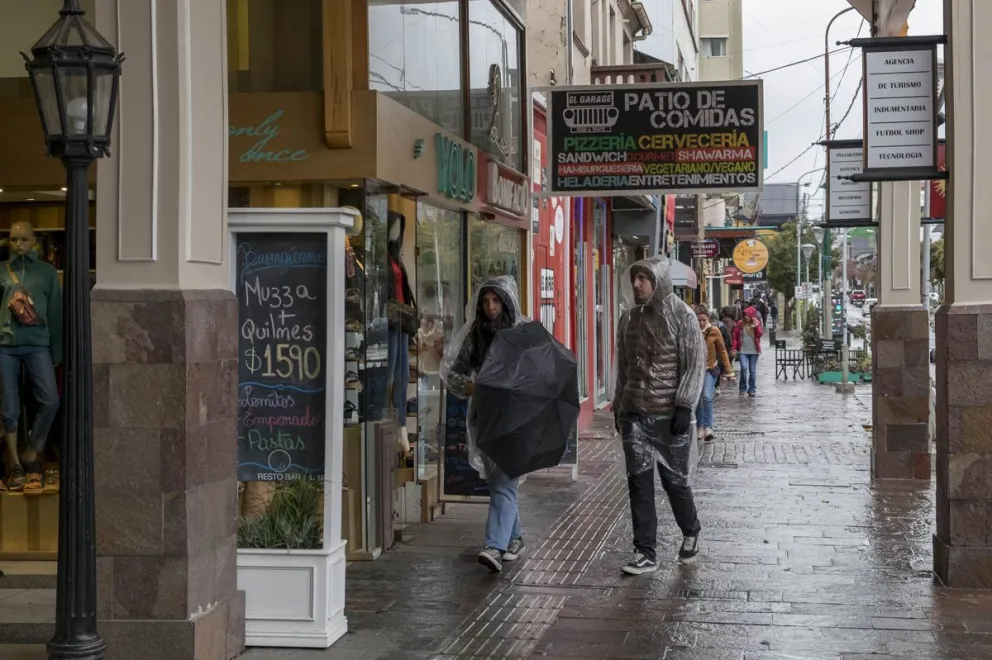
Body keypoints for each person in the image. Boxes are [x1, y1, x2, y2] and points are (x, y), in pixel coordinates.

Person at [613, 256, 706, 575]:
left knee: (674, 482)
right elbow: (624, 366)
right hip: (635, 414)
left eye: (644, 278)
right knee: (638, 482)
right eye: (635, 277)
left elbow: (694, 361)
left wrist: (684, 404)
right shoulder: (628, 319)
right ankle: (645, 552)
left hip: (669, 416)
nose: (637, 284)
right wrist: (618, 404)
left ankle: (691, 531)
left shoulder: (683, 315)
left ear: (659, 281)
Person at [440, 276, 527, 573]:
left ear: (506, 301)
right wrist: (472, 389)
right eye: (486, 301)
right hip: (484, 416)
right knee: (498, 481)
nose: (491, 307)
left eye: (496, 300)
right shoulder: (475, 335)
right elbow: (453, 375)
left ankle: (494, 545)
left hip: (514, 417)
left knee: (503, 479)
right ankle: (515, 536)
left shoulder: (519, 334)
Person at [0, 221, 61, 493]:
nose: (18, 244)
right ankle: (13, 463)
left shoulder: (47, 273)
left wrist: (56, 350)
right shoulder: (2, 271)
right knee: (9, 408)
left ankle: (31, 452)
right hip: (5, 346)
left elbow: (57, 313)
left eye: (24, 239)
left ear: (33, 240)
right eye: (13, 239)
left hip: (38, 344)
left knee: (50, 400)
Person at [697, 309, 735, 442]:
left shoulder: (715, 331)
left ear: (708, 319)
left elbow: (723, 351)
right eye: (699, 320)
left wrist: (729, 371)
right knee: (698, 399)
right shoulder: (692, 331)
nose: (701, 323)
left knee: (706, 396)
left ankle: (708, 427)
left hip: (710, 368)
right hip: (696, 370)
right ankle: (699, 427)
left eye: (703, 320)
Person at [732, 306, 763, 397]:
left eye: (748, 315)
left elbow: (760, 334)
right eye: (745, 315)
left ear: (752, 315)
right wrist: (734, 348)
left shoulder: (756, 323)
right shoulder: (739, 324)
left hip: (754, 351)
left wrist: (756, 326)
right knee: (744, 368)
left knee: (752, 370)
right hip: (742, 350)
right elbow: (735, 337)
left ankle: (752, 389)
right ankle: (742, 388)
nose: (746, 317)